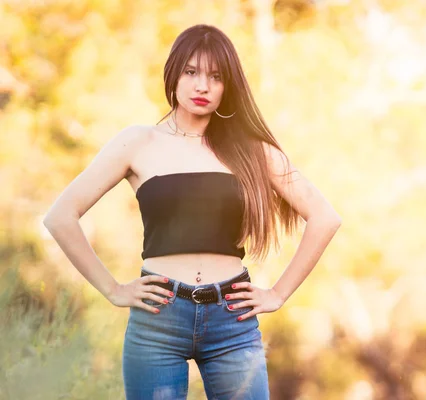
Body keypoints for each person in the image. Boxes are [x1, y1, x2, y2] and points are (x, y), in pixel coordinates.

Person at [43, 24, 342, 399]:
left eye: (216, 77)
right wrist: (113, 289)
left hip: (233, 322)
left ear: (227, 86)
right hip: (158, 321)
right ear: (174, 74)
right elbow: (60, 216)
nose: (203, 86)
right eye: (192, 72)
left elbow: (325, 217)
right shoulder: (138, 142)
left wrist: (278, 294)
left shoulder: (251, 150)